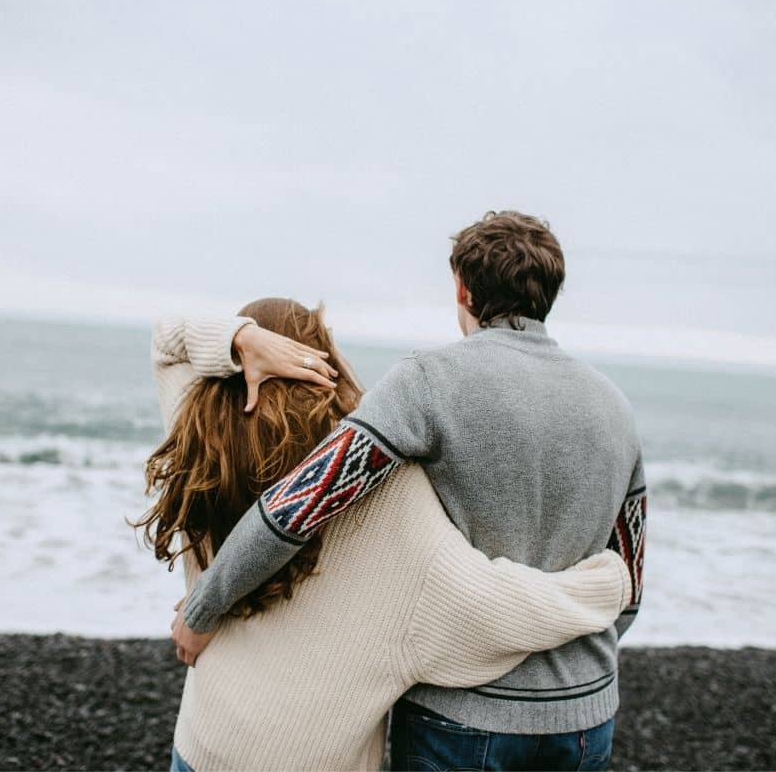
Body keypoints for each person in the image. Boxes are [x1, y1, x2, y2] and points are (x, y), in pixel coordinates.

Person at [172, 212, 648, 771]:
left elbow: (299, 504)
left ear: (463, 287)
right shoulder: (614, 406)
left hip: (465, 718)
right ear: (549, 293)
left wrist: (205, 607)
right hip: (588, 713)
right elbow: (630, 584)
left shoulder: (430, 381)